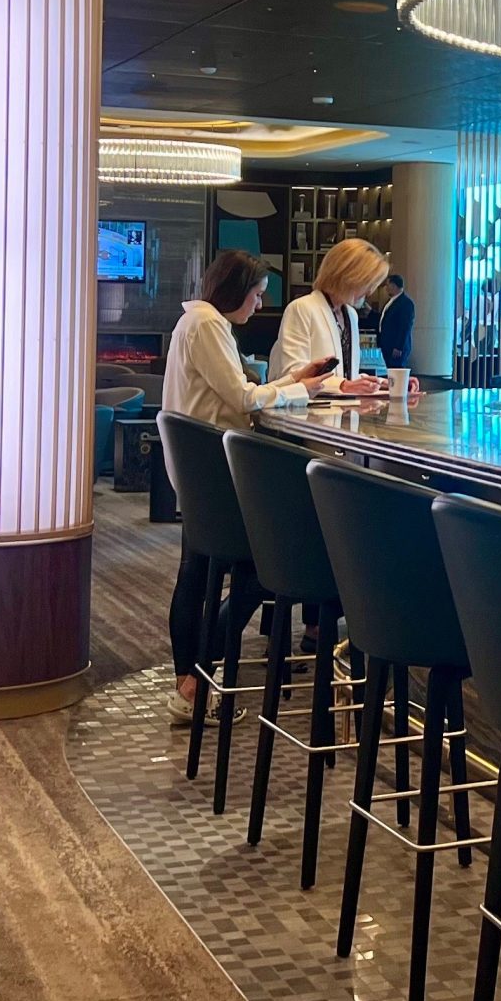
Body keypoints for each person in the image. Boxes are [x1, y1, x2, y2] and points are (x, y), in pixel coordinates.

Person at [158, 250, 337, 724]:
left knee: (195, 575)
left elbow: (234, 391)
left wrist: (292, 379)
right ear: (237, 290)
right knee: (271, 567)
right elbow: (241, 399)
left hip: (199, 477)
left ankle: (191, 684)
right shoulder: (209, 325)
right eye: (257, 295)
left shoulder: (194, 322)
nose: (260, 305)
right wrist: (304, 390)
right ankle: (199, 670)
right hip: (217, 479)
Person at [271, 236, 410, 396]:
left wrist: (381, 382)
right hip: (308, 413)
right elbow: (294, 375)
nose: (370, 292)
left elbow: (346, 376)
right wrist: (343, 385)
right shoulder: (302, 309)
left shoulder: (350, 315)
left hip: (344, 413)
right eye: (367, 283)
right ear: (349, 276)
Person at [374, 271, 414, 375]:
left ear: (393, 285)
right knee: (391, 371)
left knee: (397, 372)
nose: (386, 288)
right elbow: (384, 320)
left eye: (387, 285)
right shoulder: (390, 301)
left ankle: (397, 390)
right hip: (387, 344)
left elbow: (405, 326)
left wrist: (399, 346)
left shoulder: (405, 303)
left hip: (396, 347)